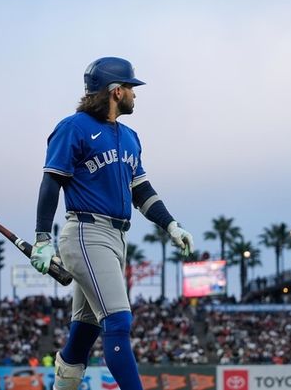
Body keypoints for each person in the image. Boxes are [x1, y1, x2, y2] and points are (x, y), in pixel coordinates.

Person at [30, 57, 194, 390]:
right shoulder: (73, 127)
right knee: (118, 320)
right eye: (132, 87)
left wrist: (171, 225)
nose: (136, 94)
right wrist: (42, 238)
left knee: (84, 331)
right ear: (115, 91)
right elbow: (51, 182)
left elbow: (141, 190)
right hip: (86, 232)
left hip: (116, 237)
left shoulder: (130, 136)